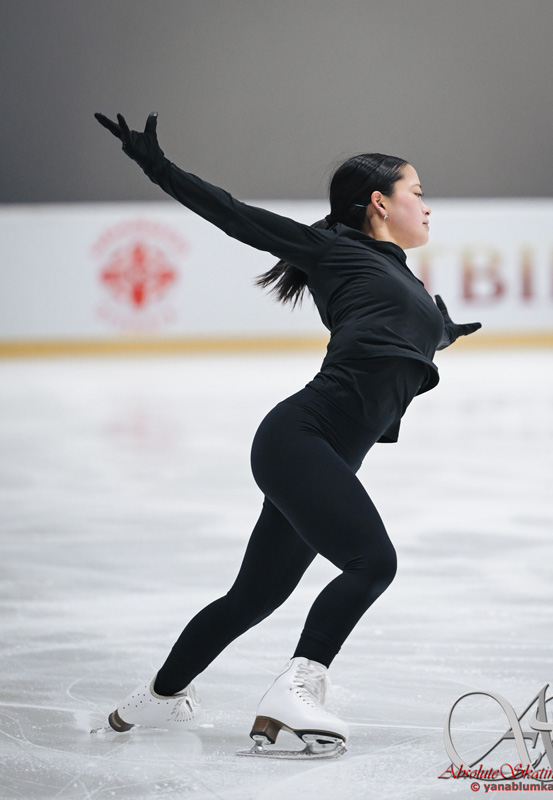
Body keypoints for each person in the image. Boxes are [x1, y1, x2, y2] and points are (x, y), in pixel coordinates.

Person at [94, 111, 481, 758]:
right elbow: (235, 216)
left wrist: (442, 332)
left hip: (320, 451)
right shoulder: (336, 252)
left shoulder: (400, 278)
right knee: (373, 562)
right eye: (417, 192)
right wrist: (157, 167)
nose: (427, 205)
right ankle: (298, 689)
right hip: (301, 438)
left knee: (255, 595)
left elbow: (398, 337)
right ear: (380, 203)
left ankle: (159, 697)